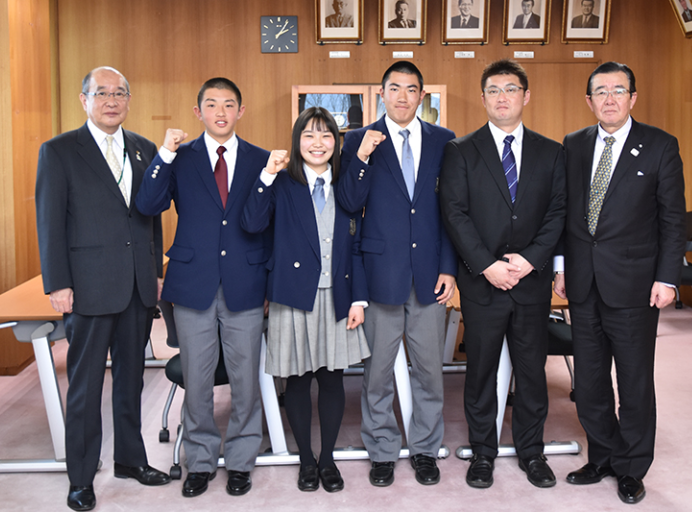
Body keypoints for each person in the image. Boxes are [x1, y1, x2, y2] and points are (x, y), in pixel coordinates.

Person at [35, 66, 169, 512]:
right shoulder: (59, 151)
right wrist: (58, 283)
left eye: (120, 93)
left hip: (135, 286)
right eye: (102, 93)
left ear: (129, 100)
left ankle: (131, 460)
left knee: (131, 383)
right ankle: (81, 477)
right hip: (88, 287)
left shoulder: (143, 149)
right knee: (86, 387)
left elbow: (149, 217)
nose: (111, 100)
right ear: (84, 99)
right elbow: (50, 222)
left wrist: (153, 268)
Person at [554, 61, 686, 505]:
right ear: (588, 100)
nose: (609, 99)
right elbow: (565, 214)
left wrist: (667, 277)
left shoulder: (660, 146)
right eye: (600, 92)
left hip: (635, 284)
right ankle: (603, 455)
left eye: (618, 91)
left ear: (633, 97)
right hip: (583, 283)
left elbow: (672, 221)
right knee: (589, 382)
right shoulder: (573, 145)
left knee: (633, 383)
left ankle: (632, 467)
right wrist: (559, 267)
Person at [135, 78, 270, 498]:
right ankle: (200, 460)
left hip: (245, 283)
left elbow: (264, 222)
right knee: (197, 378)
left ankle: (243, 459)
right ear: (199, 113)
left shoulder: (261, 160)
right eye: (211, 105)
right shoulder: (180, 157)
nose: (221, 112)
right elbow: (147, 203)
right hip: (193, 283)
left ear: (241, 111)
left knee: (246, 377)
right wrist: (163, 154)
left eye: (229, 104)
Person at [440, 59, 565, 490]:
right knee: (481, 373)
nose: (502, 97)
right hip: (482, 283)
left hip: (530, 282)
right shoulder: (460, 150)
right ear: (483, 98)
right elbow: (454, 214)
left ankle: (532, 453)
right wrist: (488, 265)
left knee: (532, 372)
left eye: (511, 89)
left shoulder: (552, 152)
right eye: (493, 90)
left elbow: (558, 213)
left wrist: (528, 260)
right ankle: (483, 453)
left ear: (526, 96)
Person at [337, 61, 457, 488]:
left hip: (429, 275)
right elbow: (349, 203)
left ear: (421, 96)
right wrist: (364, 157)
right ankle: (382, 451)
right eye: (395, 88)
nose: (403, 96)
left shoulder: (444, 140)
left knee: (429, 371)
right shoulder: (357, 139)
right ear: (381, 94)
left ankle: (425, 449)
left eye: (411, 89)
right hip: (379, 272)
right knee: (378, 373)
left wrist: (449, 267)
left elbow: (450, 212)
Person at [241, 107, 370, 494]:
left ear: (337, 142)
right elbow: (251, 223)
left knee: (332, 380)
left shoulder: (346, 184)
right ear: (297, 142)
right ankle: (305, 460)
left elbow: (359, 246)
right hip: (292, 296)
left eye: (326, 135)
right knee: (296, 381)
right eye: (309, 135)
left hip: (339, 295)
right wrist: (266, 174)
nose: (318, 143)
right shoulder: (282, 182)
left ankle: (327, 458)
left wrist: (359, 299)